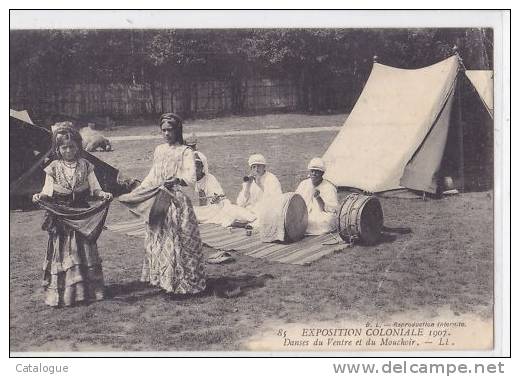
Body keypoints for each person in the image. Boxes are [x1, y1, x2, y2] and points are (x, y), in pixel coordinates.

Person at [119, 113, 206, 295]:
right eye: (163, 130)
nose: (166, 133)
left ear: (177, 130)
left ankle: (183, 282)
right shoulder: (159, 150)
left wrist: (176, 180)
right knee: (158, 238)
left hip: (175, 201)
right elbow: (153, 174)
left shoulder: (186, 151)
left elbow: (191, 177)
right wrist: (138, 191)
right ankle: (163, 280)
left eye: (170, 130)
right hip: (158, 199)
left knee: (179, 240)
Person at [32, 123, 112, 307]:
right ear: (57, 149)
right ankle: (64, 293)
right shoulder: (53, 167)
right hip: (61, 216)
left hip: (82, 217)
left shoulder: (86, 165)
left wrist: (103, 194)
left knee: (83, 251)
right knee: (65, 252)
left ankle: (87, 292)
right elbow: (47, 191)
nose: (68, 150)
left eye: (72, 146)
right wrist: (39, 196)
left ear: (78, 147)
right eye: (64, 147)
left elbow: (96, 188)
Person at [295, 157, 338, 235]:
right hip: (305, 212)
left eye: (317, 172)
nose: (314, 174)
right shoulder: (304, 184)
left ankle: (302, 228)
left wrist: (318, 198)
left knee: (327, 221)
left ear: (322, 173)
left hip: (320, 214)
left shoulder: (329, 187)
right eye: (312, 171)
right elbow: (296, 200)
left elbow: (331, 209)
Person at [236, 154, 282, 225]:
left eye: (259, 166)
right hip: (251, 211)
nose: (256, 169)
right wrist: (248, 185)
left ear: (264, 167)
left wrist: (260, 185)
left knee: (262, 217)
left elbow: (277, 201)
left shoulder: (272, 178)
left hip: (265, 210)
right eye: (254, 167)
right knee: (232, 210)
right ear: (251, 168)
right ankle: (250, 221)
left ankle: (251, 223)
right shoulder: (249, 180)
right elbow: (240, 203)